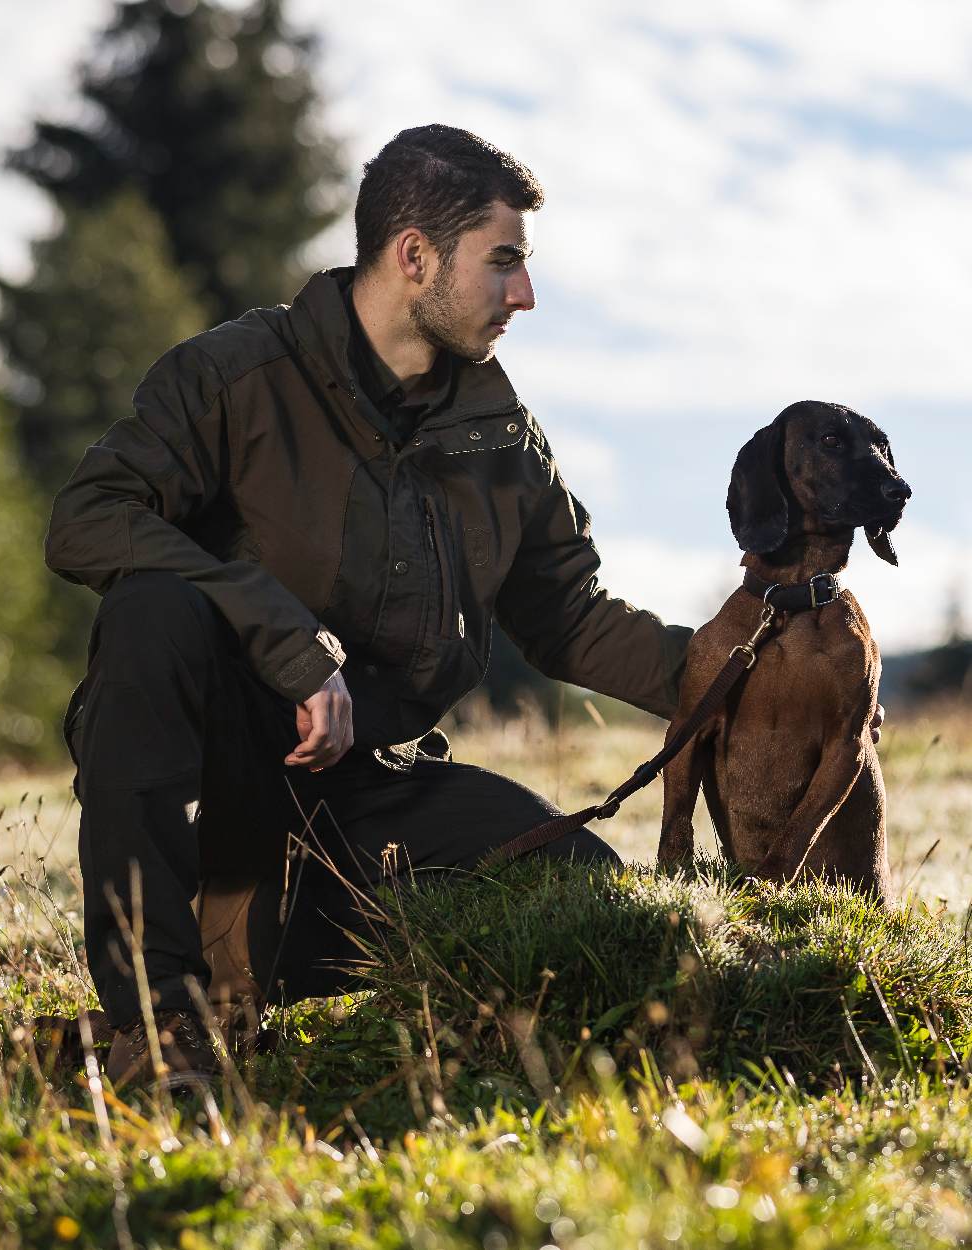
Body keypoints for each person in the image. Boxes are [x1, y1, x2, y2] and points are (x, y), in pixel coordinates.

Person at [45, 124, 694, 1088]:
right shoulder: (234, 376)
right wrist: (289, 639)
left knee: (587, 892)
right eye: (504, 261)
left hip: (366, 795)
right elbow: (88, 520)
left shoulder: (501, 438)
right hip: (207, 796)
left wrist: (751, 667)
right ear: (414, 254)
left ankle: (309, 988)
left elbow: (569, 616)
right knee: (152, 610)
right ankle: (160, 1022)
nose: (525, 293)